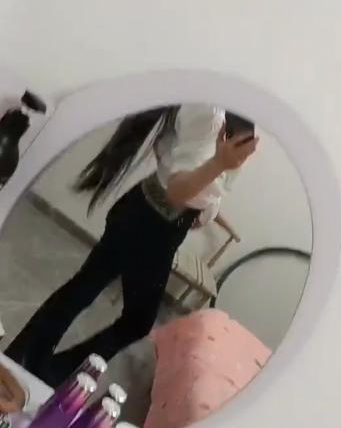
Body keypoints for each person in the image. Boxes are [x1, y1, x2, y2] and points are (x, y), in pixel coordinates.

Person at [6, 104, 258, 386]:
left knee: (81, 289)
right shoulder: (211, 117)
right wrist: (217, 166)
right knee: (134, 321)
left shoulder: (206, 105)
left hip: (143, 209)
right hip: (154, 227)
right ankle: (46, 371)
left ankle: (20, 361)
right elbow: (177, 191)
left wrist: (201, 202)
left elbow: (168, 155)